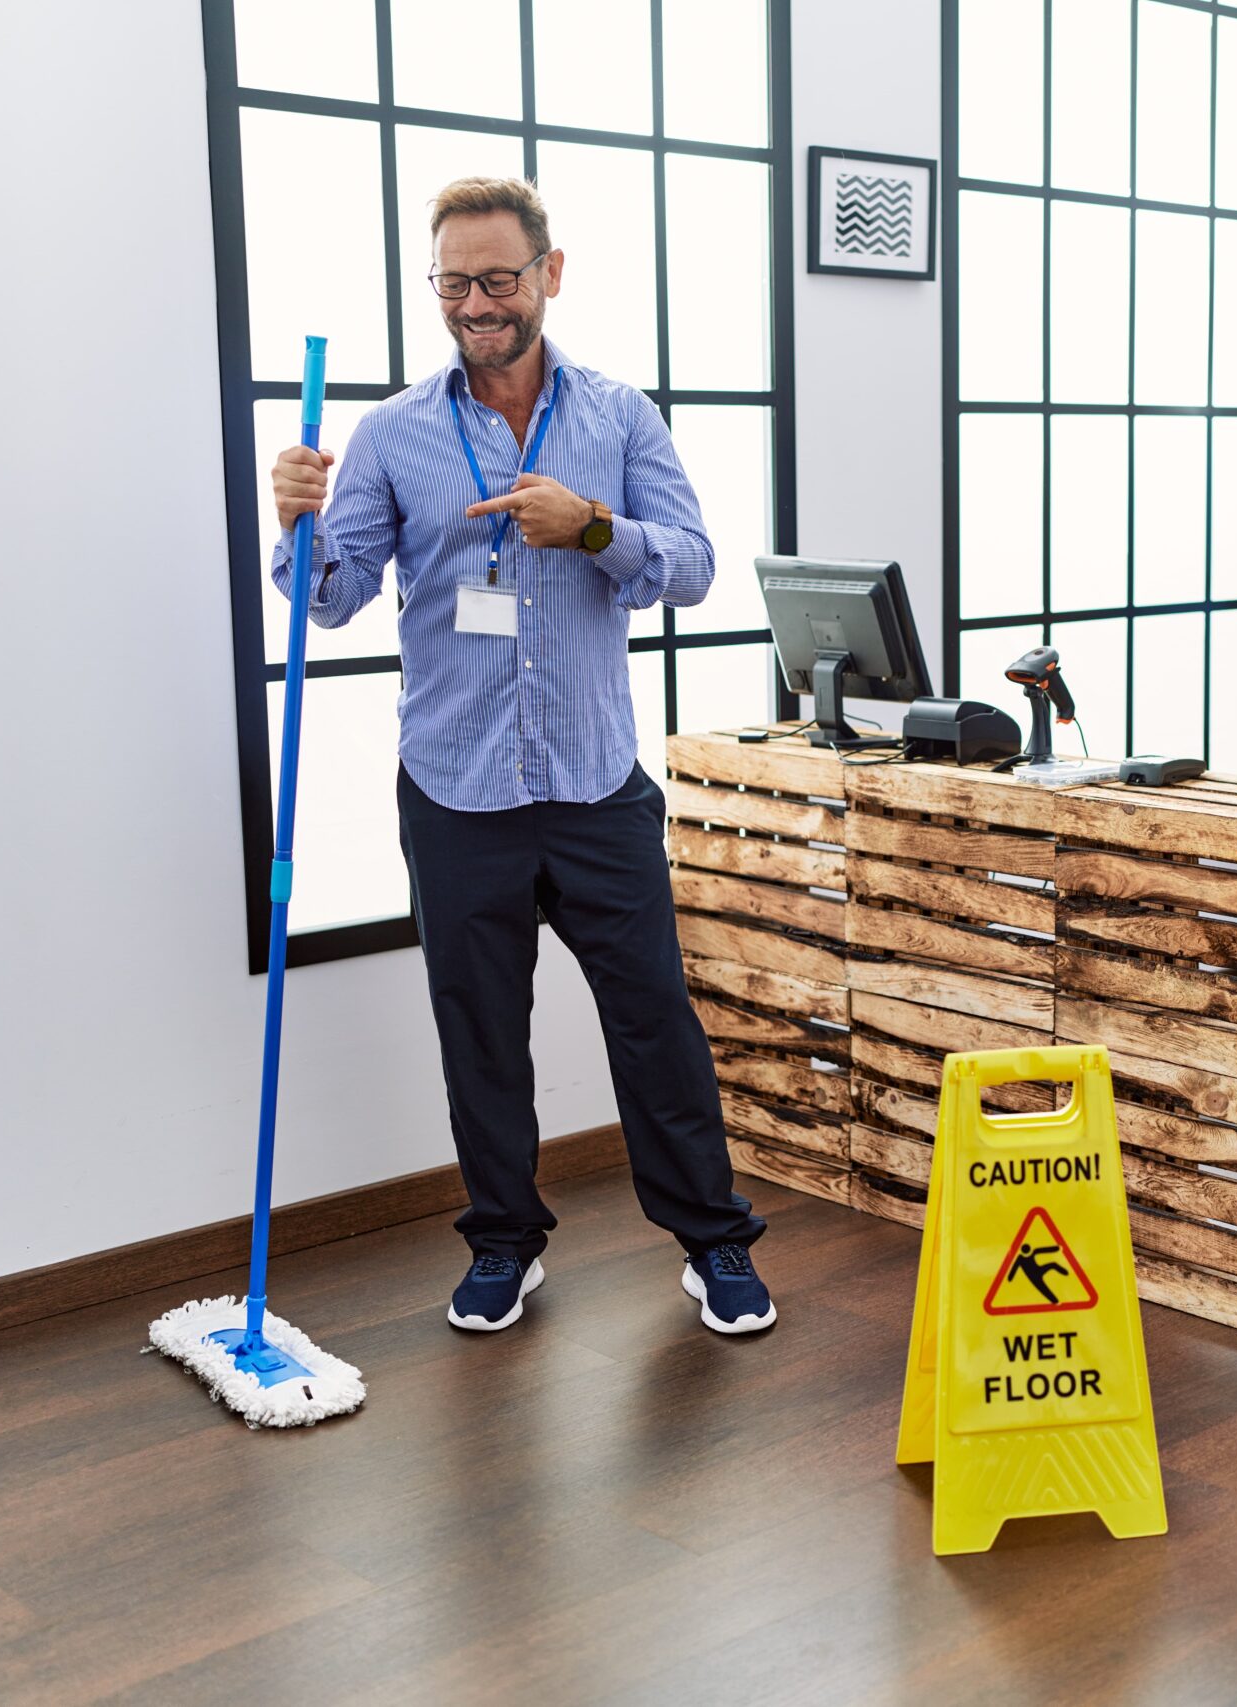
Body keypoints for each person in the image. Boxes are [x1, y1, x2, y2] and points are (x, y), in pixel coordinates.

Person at [268, 176, 773, 1336]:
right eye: (452, 284)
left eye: (497, 279)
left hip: (595, 784)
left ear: (550, 273)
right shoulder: (394, 433)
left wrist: (588, 528)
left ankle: (714, 1240)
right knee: (481, 1033)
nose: (475, 305)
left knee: (655, 1025)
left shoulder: (620, 417)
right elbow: (330, 598)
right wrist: (292, 516)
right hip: (456, 788)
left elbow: (694, 567)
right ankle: (503, 1245)